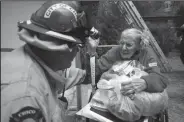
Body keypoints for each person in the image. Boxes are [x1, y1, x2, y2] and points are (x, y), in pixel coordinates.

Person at [1, 1, 99, 122]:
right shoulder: (25, 95)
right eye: (77, 46)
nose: (77, 52)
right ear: (58, 46)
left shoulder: (46, 66)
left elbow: (87, 76)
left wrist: (92, 53)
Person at [95, 28, 169, 96]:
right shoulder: (115, 52)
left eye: (129, 45)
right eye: (121, 43)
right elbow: (96, 70)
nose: (123, 48)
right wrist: (91, 52)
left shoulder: (147, 54)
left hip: (140, 99)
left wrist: (146, 83)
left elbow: (161, 78)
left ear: (139, 46)